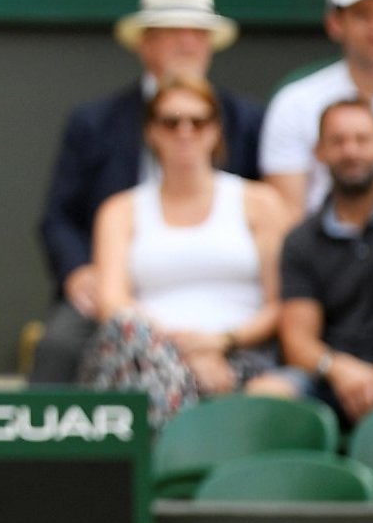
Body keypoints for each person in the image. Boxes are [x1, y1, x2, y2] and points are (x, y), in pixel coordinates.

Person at [30, 0, 263, 384]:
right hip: (117, 285)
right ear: (144, 42)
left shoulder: (247, 120)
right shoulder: (94, 122)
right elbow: (58, 217)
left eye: (198, 32)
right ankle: (49, 449)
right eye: (173, 31)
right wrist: (80, 271)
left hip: (220, 287)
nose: (187, 43)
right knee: (58, 347)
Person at [78, 76, 287, 426]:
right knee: (127, 330)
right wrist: (179, 352)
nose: (185, 131)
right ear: (151, 131)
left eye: (198, 121)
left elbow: (281, 303)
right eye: (170, 121)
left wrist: (218, 342)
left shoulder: (260, 203)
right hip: (142, 352)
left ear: (216, 129)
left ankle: (162, 463)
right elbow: (111, 302)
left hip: (237, 352)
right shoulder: (120, 210)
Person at [259, 99, 373, 425]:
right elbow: (298, 341)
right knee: (266, 392)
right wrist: (338, 368)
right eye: (339, 141)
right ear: (319, 152)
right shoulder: (301, 239)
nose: (351, 151)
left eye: (362, 139)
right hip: (333, 378)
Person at [260, 0, 373, 220]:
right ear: (334, 23)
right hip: (322, 257)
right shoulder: (295, 102)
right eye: (362, 14)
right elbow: (287, 218)